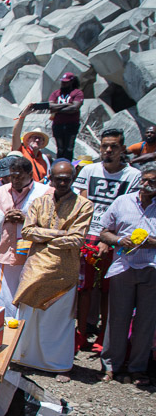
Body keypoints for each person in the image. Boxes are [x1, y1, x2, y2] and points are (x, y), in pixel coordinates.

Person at [12, 161, 92, 378]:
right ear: (51, 178)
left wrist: (45, 235)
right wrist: (59, 234)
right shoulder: (40, 202)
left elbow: (77, 239)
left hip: (62, 271)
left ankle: (58, 364)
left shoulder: (83, 205)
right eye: (59, 179)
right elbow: (28, 232)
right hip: (35, 268)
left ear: (73, 179)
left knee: (59, 320)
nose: (63, 182)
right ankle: (24, 359)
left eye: (67, 179)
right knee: (30, 315)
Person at [72, 129, 140, 351]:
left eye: (113, 146)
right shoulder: (89, 170)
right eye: (104, 146)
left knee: (108, 289)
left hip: (115, 238)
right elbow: (81, 202)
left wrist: (109, 239)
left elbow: (129, 209)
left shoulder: (132, 176)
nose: (108, 151)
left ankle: (104, 335)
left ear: (122, 149)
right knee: (84, 288)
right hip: (88, 235)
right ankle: (80, 333)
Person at [98, 162, 156, 384]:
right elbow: (104, 232)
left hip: (151, 268)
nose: (146, 185)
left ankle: (138, 368)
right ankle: (111, 364)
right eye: (145, 180)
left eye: (152, 181)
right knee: (117, 318)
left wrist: (152, 242)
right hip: (124, 266)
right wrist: (119, 240)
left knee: (146, 321)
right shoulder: (123, 201)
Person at [0, 156, 52, 316]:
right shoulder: (0, 192)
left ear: (30, 175)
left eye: (20, 177)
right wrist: (4, 217)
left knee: (27, 301)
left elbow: (54, 222)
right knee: (3, 299)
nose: (15, 180)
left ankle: (24, 337)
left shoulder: (45, 193)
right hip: (5, 254)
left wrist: (27, 220)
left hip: (33, 256)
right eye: (12, 176)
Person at [48, 72, 85, 161]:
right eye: (62, 82)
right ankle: (59, 164)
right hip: (58, 124)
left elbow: (75, 108)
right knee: (60, 148)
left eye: (66, 82)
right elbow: (50, 106)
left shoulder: (77, 93)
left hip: (71, 125)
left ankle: (68, 165)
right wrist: (67, 105)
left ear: (71, 82)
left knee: (69, 148)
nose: (63, 84)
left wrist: (57, 109)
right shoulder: (56, 93)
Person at [11, 108, 51, 182]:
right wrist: (22, 116)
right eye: (34, 137)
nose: (37, 140)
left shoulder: (43, 160)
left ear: (43, 142)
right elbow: (15, 135)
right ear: (28, 140)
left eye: (40, 138)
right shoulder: (21, 152)